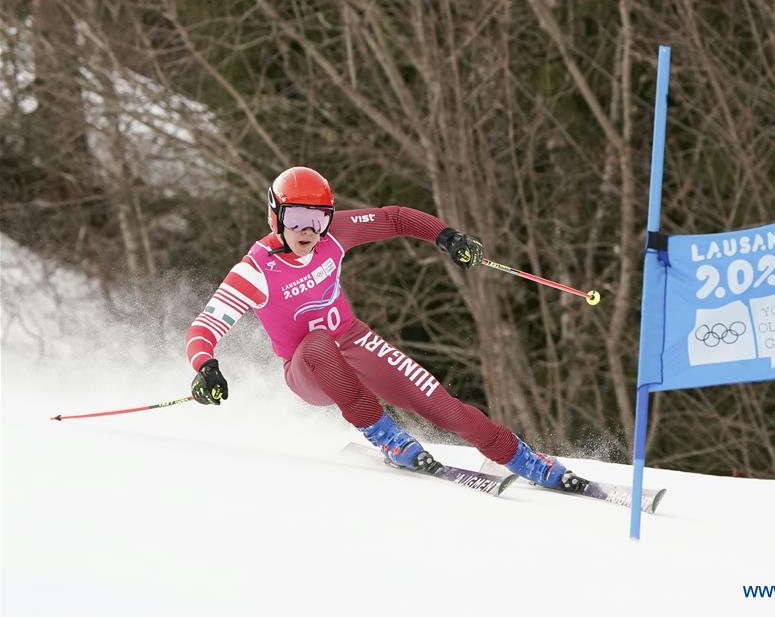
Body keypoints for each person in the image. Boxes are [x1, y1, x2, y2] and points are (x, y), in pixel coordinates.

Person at [185, 166, 585, 491]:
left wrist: (446, 237)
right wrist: (205, 366)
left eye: (318, 219)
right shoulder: (255, 271)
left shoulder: (333, 236)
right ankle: (385, 435)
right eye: (297, 218)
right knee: (320, 342)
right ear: (276, 215)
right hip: (308, 369)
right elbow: (204, 327)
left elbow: (393, 218)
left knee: (443, 405)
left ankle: (524, 459)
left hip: (354, 341)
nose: (308, 231)